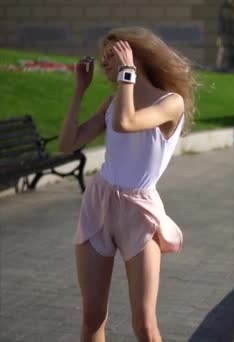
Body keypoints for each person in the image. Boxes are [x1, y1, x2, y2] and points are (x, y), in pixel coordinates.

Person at [58, 27, 197, 342]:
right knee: (93, 315)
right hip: (99, 202)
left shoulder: (171, 103)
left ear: (137, 54)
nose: (106, 63)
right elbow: (67, 144)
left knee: (144, 323)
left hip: (140, 210)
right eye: (105, 57)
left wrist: (127, 74)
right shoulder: (113, 102)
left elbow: (127, 122)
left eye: (113, 55)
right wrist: (80, 89)